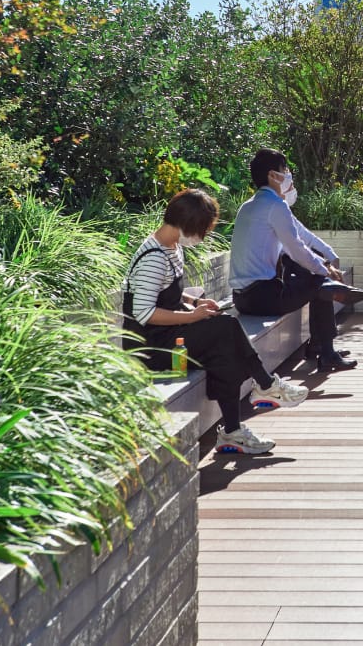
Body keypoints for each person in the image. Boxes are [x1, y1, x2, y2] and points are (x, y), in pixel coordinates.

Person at [123, 188, 308, 456]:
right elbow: (144, 313)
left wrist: (194, 302)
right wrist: (192, 316)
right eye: (202, 230)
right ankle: (265, 385)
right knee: (226, 328)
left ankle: (234, 430)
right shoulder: (153, 257)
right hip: (150, 347)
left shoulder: (171, 247)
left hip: (168, 335)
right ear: (188, 224)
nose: (202, 237)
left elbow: (165, 293)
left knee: (223, 349)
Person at [229, 148, 363, 373]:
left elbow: (300, 238)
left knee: (315, 277)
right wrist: (324, 269)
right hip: (261, 297)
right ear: (273, 175)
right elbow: (296, 249)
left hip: (243, 298)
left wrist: (326, 259)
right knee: (320, 285)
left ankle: (318, 345)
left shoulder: (251, 205)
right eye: (285, 170)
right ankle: (327, 353)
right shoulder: (275, 206)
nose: (289, 174)